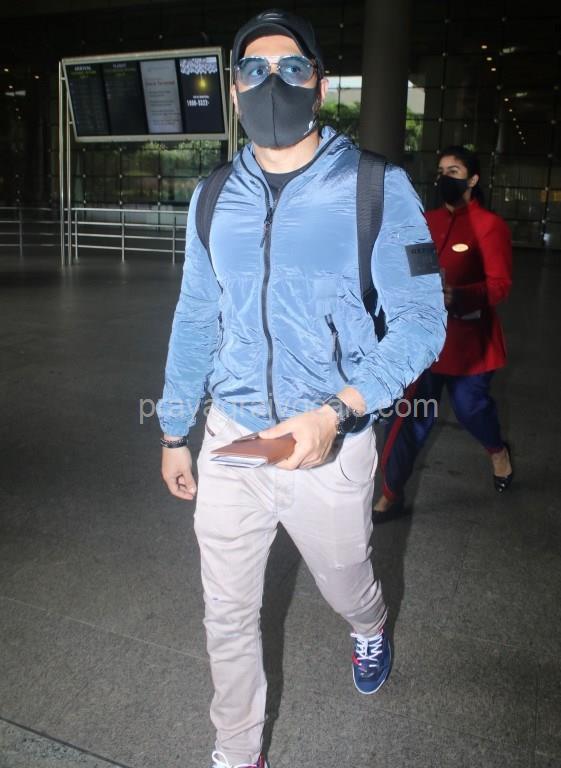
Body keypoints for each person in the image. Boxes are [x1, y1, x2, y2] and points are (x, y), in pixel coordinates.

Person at [156, 10, 446, 768]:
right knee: (225, 612)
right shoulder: (212, 197)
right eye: (254, 70)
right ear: (233, 89)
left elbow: (422, 322)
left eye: (291, 68)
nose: (272, 83)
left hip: (330, 440)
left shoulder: (375, 188)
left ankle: (369, 627)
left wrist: (340, 411)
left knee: (345, 581)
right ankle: (237, 752)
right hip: (234, 437)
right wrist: (174, 429)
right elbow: (196, 315)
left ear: (318, 83)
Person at [374, 145, 513, 523]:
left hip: (471, 345)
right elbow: (412, 271)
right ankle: (391, 493)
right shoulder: (426, 221)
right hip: (424, 341)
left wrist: (459, 295)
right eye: (441, 171)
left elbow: (500, 285)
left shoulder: (490, 226)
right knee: (410, 416)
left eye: (454, 171)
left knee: (470, 409)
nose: (444, 178)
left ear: (473, 179)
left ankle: (497, 450)